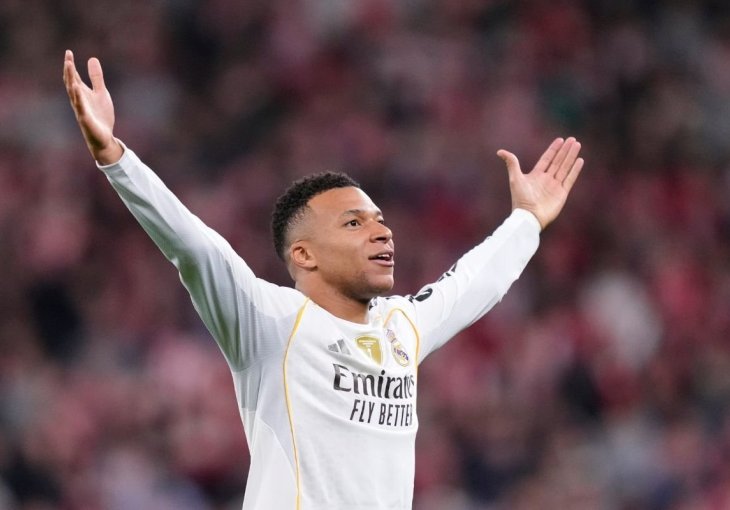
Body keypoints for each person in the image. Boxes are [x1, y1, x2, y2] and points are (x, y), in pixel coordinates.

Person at [63, 49, 583, 509]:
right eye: (354, 223)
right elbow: (194, 247)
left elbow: (473, 283)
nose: (382, 232)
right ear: (304, 255)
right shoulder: (270, 322)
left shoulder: (401, 326)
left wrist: (527, 219)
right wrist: (114, 156)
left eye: (380, 220)